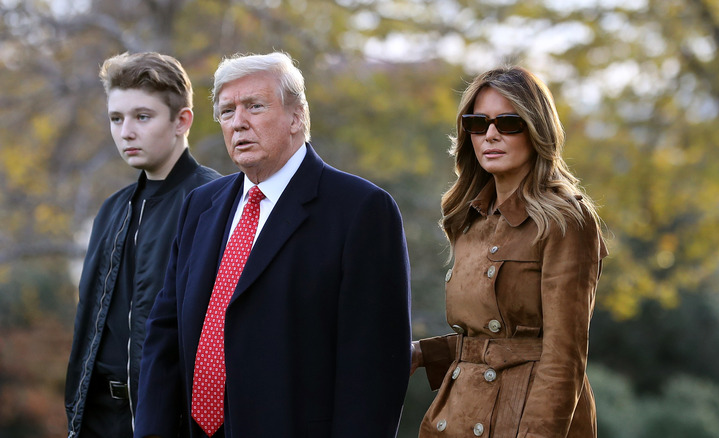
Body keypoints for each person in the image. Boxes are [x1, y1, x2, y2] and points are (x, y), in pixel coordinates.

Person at [133, 52, 412, 438]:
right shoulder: (200, 206)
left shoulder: (361, 210)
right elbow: (164, 335)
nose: (238, 123)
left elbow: (374, 369)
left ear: (297, 116)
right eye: (227, 111)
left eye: (255, 106)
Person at [410, 66, 608, 437]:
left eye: (508, 123)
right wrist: (424, 354)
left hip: (524, 422)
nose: (491, 135)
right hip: (456, 415)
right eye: (477, 123)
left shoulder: (565, 220)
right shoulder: (469, 219)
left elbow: (563, 356)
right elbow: (492, 339)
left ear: (536, 129)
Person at [65, 52, 222, 438]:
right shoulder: (112, 209)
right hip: (99, 419)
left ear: (181, 121)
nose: (126, 132)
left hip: (171, 419)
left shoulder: (215, 202)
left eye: (143, 117)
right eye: (116, 119)